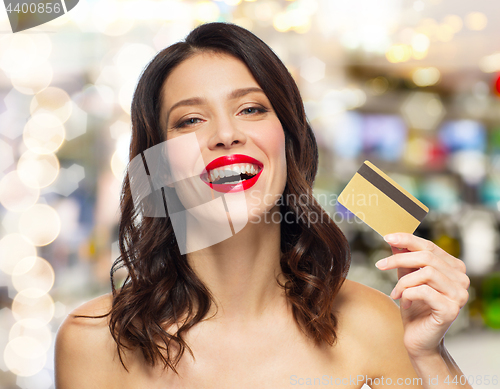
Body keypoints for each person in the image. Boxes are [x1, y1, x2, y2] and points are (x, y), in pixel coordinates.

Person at [54, 22, 472, 388]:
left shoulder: (373, 324)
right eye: (190, 119)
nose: (225, 134)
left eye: (251, 109)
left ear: (288, 138)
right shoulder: (91, 342)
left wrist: (430, 356)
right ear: (158, 164)